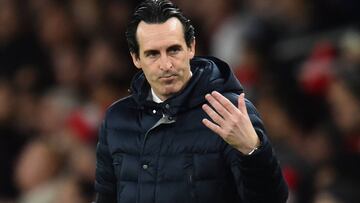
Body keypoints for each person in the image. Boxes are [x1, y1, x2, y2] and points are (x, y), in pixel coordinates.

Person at [94, 0, 288, 202]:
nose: (166, 64)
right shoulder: (117, 119)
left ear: (191, 47)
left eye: (174, 50)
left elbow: (272, 199)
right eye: (152, 54)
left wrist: (253, 151)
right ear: (136, 58)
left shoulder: (229, 111)